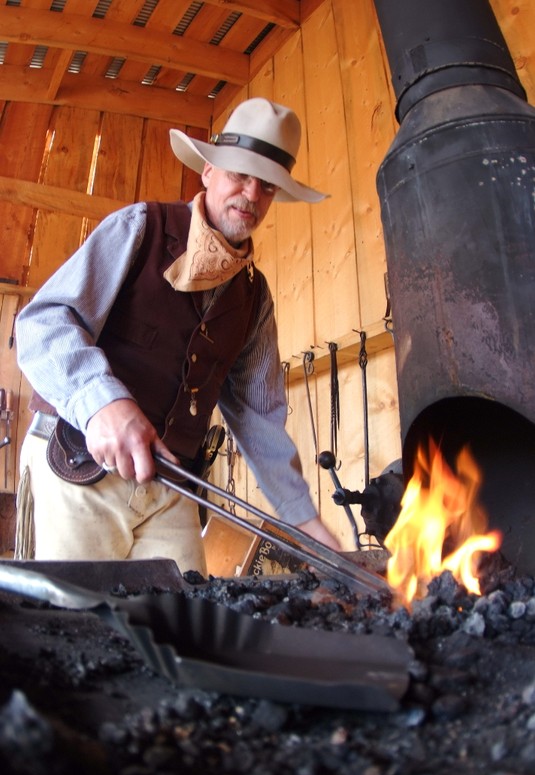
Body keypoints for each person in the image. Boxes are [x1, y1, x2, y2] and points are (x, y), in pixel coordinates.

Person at [15, 97, 340, 575]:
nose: (251, 194)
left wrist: (304, 520)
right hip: (79, 464)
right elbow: (42, 323)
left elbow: (258, 418)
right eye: (239, 175)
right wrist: (102, 401)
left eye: (267, 186)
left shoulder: (254, 297)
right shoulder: (141, 228)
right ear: (208, 170)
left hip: (173, 486)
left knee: (182, 628)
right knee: (81, 628)